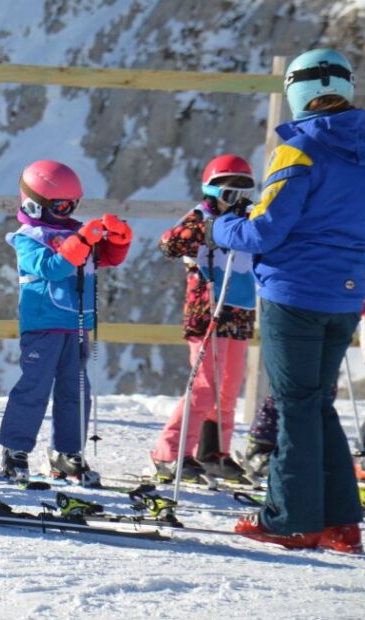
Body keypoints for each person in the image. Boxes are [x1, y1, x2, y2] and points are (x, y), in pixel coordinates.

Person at [207, 48, 365, 554]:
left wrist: (223, 225)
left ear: (296, 92)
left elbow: (265, 232)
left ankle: (290, 518)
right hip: (347, 297)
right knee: (318, 403)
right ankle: (342, 522)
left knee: (298, 405)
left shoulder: (299, 150)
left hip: (295, 292)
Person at [0, 160, 132, 486]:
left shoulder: (75, 232)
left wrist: (119, 238)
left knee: (76, 390)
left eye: (72, 205)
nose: (67, 211)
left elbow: (108, 258)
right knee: (35, 388)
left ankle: (67, 452)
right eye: (60, 205)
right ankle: (15, 450)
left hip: (77, 325)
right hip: (43, 324)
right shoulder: (27, 239)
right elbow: (53, 268)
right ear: (34, 203)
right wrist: (83, 240)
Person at [149, 155, 257, 483]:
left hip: (240, 311)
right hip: (208, 310)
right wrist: (205, 228)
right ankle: (170, 452)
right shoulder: (201, 218)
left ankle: (213, 451)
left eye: (242, 194)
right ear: (211, 192)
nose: (235, 203)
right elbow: (169, 244)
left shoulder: (248, 222)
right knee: (204, 386)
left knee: (228, 387)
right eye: (228, 195)